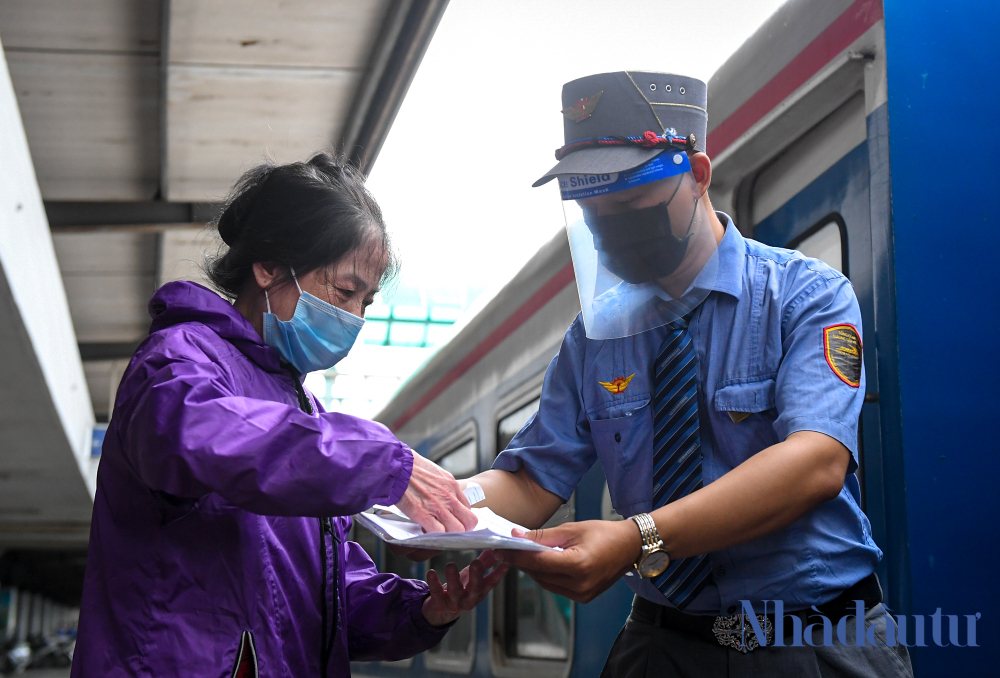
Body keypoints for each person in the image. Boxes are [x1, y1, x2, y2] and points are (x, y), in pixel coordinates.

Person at [465, 72, 913, 677]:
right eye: (594, 210)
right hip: (663, 648)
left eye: (629, 204)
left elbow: (816, 462)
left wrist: (639, 538)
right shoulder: (593, 339)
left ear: (697, 174)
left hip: (812, 642)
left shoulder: (804, 296)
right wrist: (426, 498)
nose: (610, 226)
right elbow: (532, 481)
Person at [71, 153, 508, 678]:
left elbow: (324, 600)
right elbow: (198, 436)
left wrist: (422, 611)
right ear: (270, 267)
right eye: (344, 291)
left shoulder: (300, 408)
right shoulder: (176, 359)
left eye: (366, 302)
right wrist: (382, 462)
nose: (354, 318)